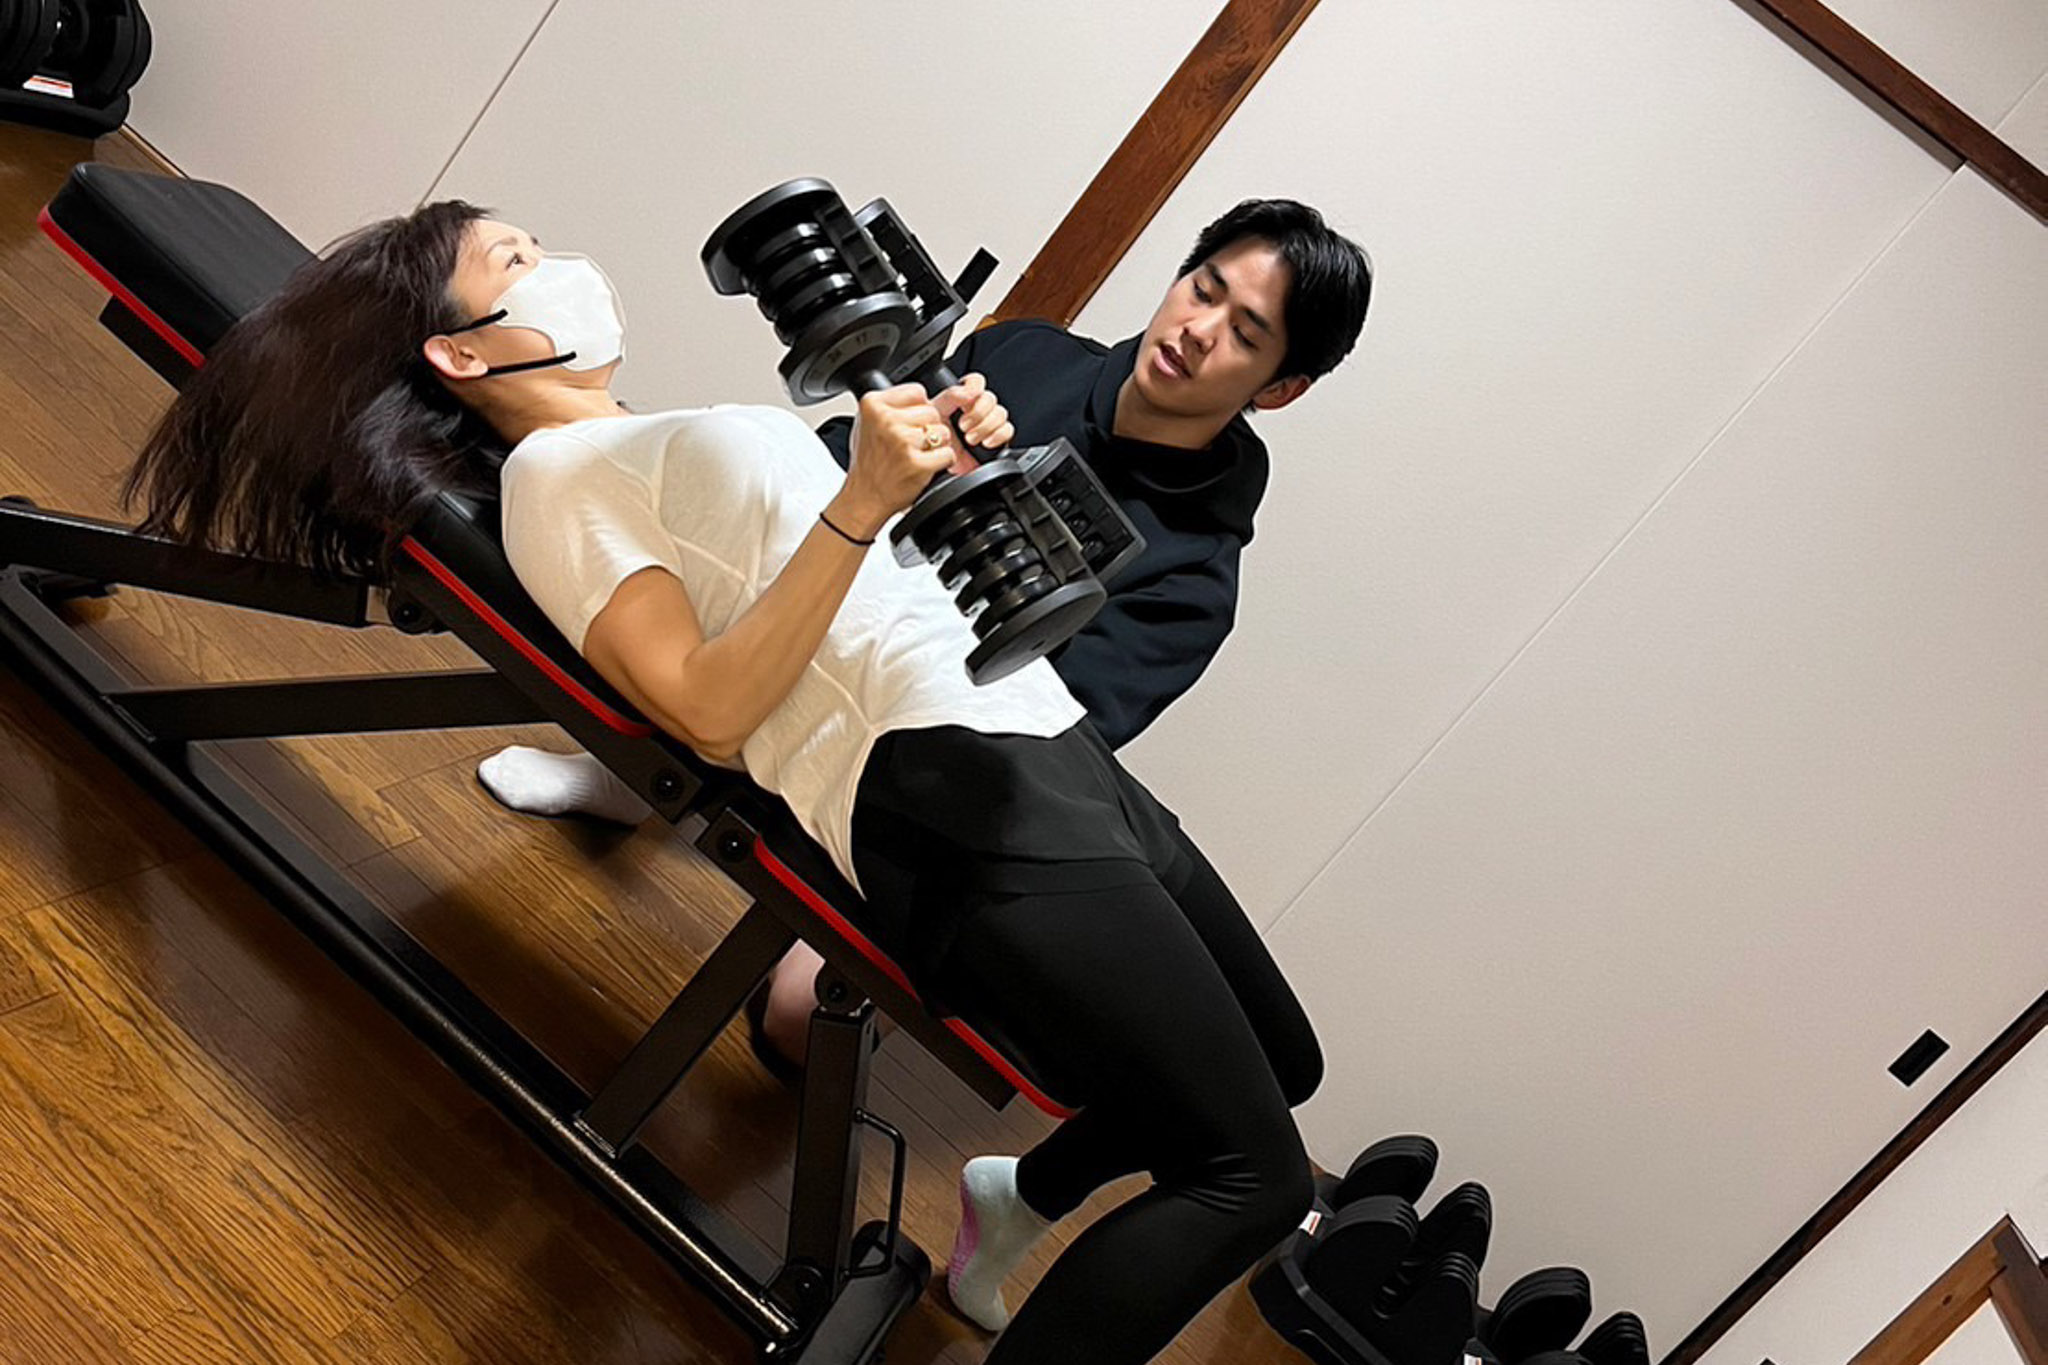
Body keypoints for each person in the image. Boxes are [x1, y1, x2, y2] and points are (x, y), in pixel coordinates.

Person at [123, 201, 1328, 1365]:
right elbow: (702, 714)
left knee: (1286, 1068)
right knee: (1252, 1179)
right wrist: (860, 502)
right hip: (945, 789)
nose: (561, 264)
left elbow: (849, 582)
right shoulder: (554, 478)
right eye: (517, 261)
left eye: (538, 243)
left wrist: (934, 481)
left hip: (1050, 745)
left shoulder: (641, 430)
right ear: (460, 351)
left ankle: (1016, 1195)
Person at [477, 200, 1375, 1073]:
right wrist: (904, 467)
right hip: (791, 627)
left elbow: (1043, 734)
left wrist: (976, 530)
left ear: (1279, 388)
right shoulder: (1027, 355)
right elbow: (823, 470)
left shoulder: (1192, 581)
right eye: (1203, 288)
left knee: (797, 1021)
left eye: (1245, 334)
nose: (1197, 330)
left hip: (918, 754)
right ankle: (636, 767)